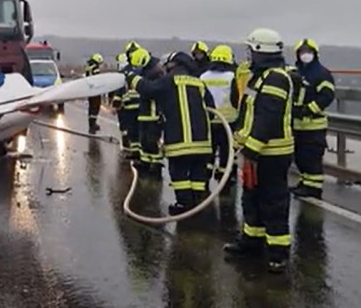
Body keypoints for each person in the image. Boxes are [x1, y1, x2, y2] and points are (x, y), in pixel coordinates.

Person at [224, 27, 294, 274]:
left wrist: (251, 148)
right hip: (256, 151)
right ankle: (251, 242)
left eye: (251, 50)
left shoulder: (276, 78)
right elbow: (248, 113)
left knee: (273, 201)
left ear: (260, 51)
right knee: (251, 198)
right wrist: (240, 140)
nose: (248, 55)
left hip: (271, 153)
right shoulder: (259, 76)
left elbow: (268, 116)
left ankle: (278, 252)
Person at [126, 50, 214, 215]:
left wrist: (131, 77)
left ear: (174, 65)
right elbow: (211, 110)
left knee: (179, 173)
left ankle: (184, 204)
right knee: (197, 173)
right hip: (203, 142)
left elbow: (147, 89)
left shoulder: (169, 81)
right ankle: (196, 203)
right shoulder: (199, 83)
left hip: (179, 141)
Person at [291, 38, 335, 199]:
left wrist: (309, 109)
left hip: (314, 125)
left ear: (315, 54)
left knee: (311, 159)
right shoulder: (296, 72)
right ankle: (305, 183)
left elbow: (327, 96)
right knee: (300, 157)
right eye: (302, 52)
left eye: (308, 52)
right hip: (297, 125)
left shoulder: (321, 73)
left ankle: (314, 188)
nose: (305, 55)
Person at [200, 45, 240, 183]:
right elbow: (236, 99)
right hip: (228, 121)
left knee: (208, 149)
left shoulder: (203, 76)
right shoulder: (231, 77)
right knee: (226, 150)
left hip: (209, 119)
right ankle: (225, 176)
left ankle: (205, 175)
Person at [131, 48, 166, 177]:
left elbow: (151, 92)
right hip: (144, 113)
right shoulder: (146, 72)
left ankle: (156, 166)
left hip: (154, 114)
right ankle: (145, 163)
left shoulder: (157, 74)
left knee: (153, 142)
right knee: (144, 141)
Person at [85, 53, 104, 132]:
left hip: (90, 90)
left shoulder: (88, 67)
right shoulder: (95, 68)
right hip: (95, 90)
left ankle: (91, 124)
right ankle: (93, 125)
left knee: (91, 107)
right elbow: (97, 78)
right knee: (95, 107)